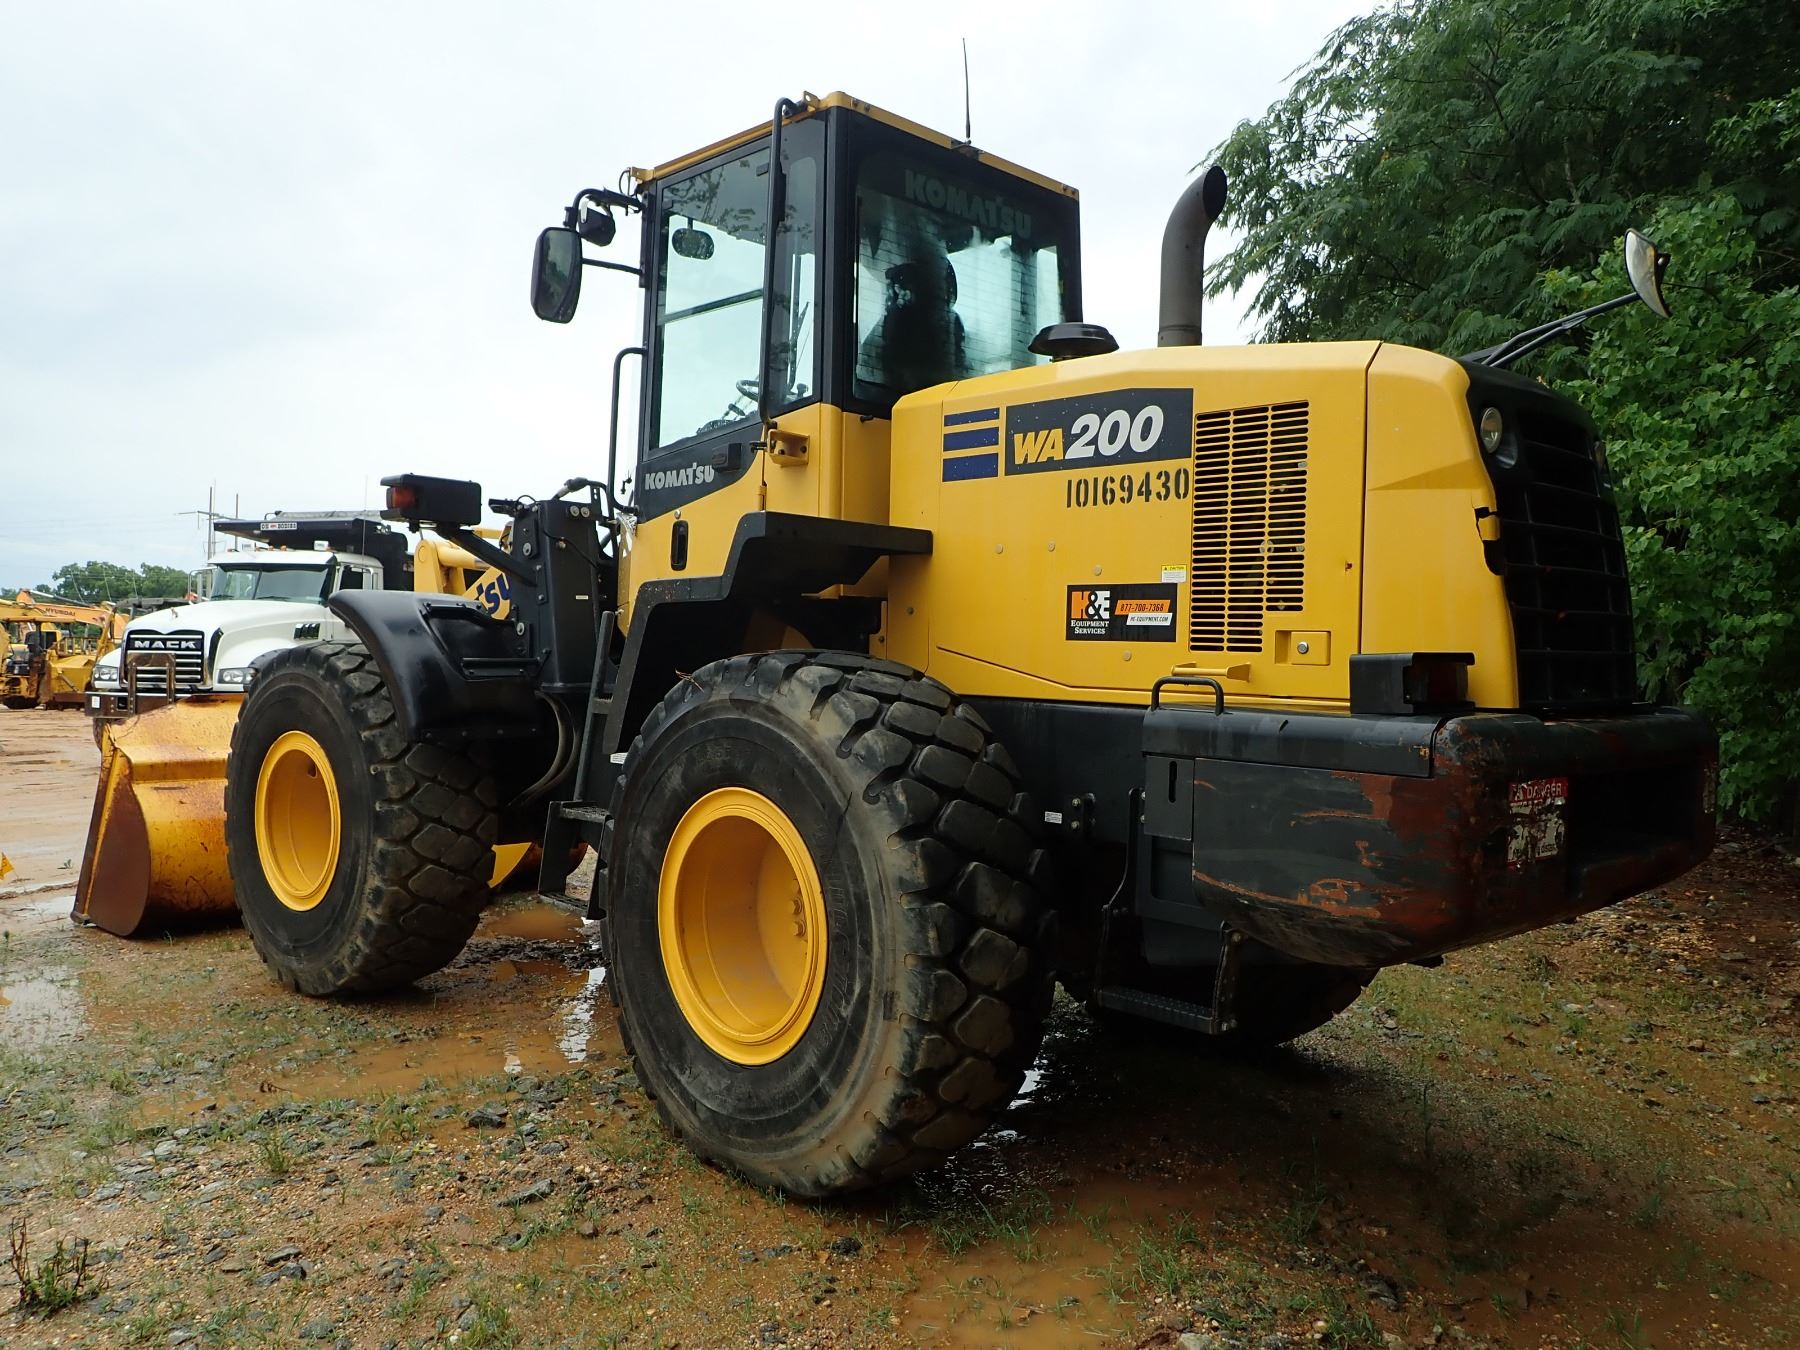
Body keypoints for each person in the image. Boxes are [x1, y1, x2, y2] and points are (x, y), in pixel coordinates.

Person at [858, 254, 973, 395]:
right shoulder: (885, 329)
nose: (896, 300)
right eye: (895, 293)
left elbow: (959, 371)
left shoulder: (947, 324)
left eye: (904, 293)